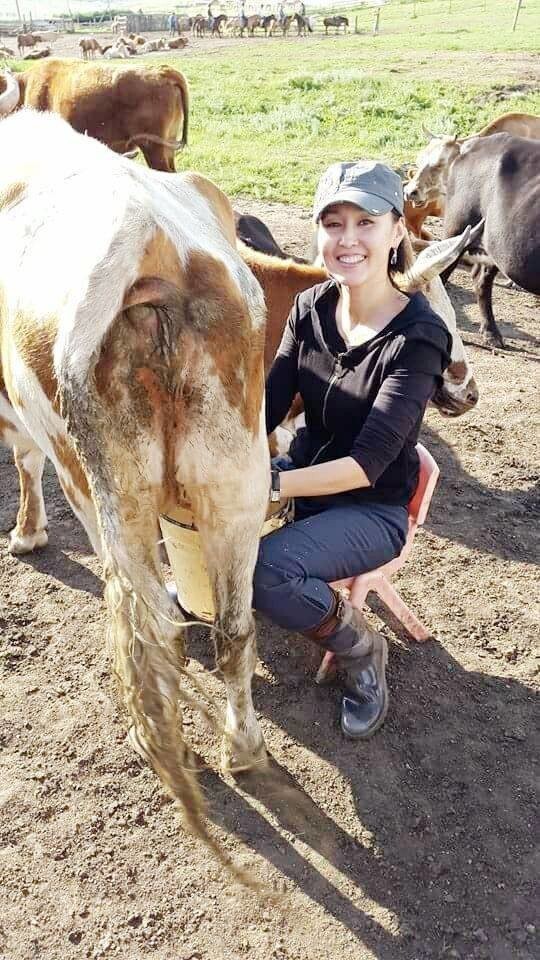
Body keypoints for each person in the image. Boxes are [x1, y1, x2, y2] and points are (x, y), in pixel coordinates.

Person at [253, 161, 452, 740]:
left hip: (372, 507)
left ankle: (362, 649)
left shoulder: (419, 337)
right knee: (191, 506)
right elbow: (266, 410)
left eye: (366, 221)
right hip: (305, 479)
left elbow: (368, 463)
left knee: (268, 572)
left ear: (397, 232)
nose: (347, 239)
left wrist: (267, 484)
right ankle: (201, 586)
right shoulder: (311, 307)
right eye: (333, 223)